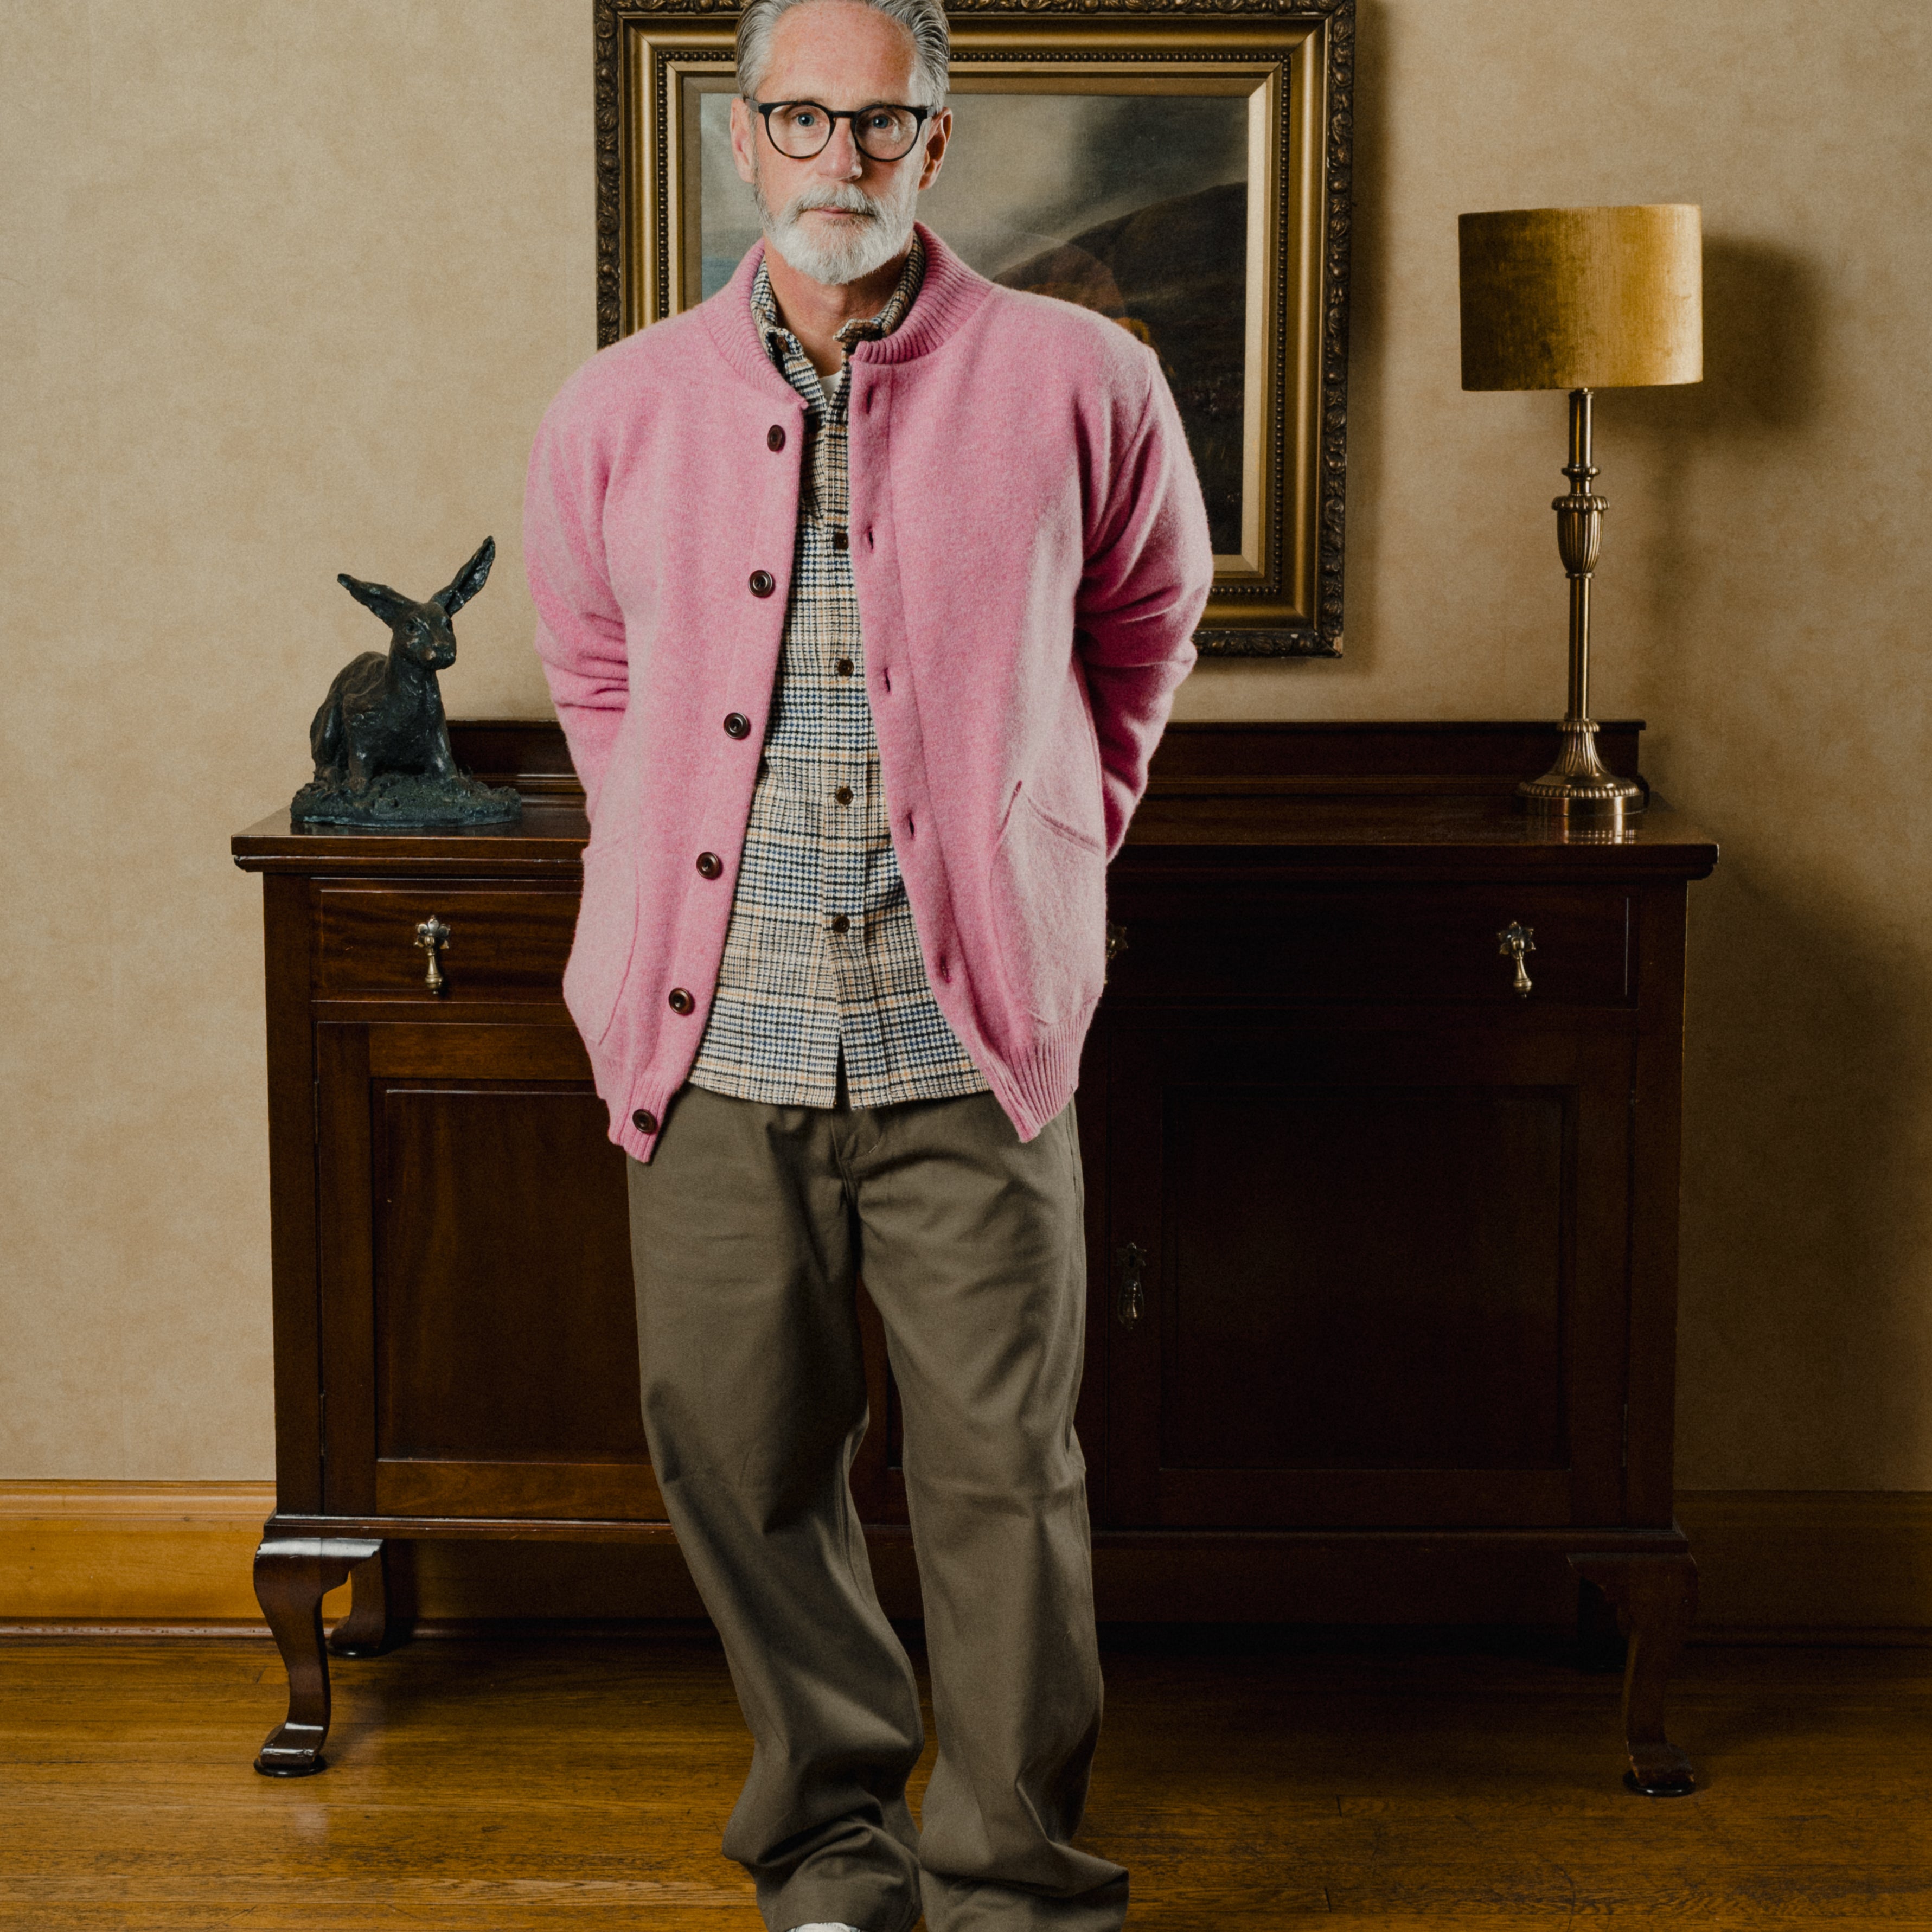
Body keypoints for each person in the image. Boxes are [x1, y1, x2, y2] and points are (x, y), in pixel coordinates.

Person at [523, 0, 1212, 1923]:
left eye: (884, 123)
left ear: (937, 142)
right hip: (711, 1038)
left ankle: (1011, 1876)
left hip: (966, 1036)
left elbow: (1144, 631)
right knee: (739, 1463)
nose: (843, 158)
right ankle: (831, 1848)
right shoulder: (616, 405)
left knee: (1006, 1483)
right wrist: (655, 838)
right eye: (804, 119)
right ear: (741, 139)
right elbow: (593, 670)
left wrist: (1053, 834)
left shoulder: (1084, 376)